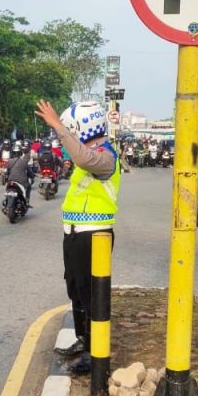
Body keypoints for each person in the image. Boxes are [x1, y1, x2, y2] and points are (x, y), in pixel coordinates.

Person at [36, 98, 119, 375]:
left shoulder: (106, 156)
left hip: (94, 235)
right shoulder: (88, 153)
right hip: (74, 233)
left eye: (71, 130)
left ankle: (97, 353)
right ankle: (84, 340)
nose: (66, 138)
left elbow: (83, 158)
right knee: (75, 289)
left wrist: (58, 126)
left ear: (82, 127)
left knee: (91, 293)